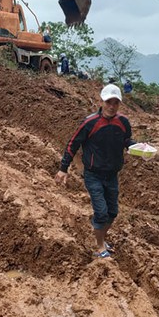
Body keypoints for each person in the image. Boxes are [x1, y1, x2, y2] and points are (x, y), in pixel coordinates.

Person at [55, 84, 136, 259]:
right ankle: (99, 246)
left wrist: (138, 148)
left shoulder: (123, 122)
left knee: (112, 212)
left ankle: (102, 238)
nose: (112, 106)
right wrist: (63, 168)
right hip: (93, 174)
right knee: (101, 212)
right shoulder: (90, 122)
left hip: (112, 174)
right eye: (108, 102)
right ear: (101, 101)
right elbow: (72, 144)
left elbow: (126, 140)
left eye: (115, 103)